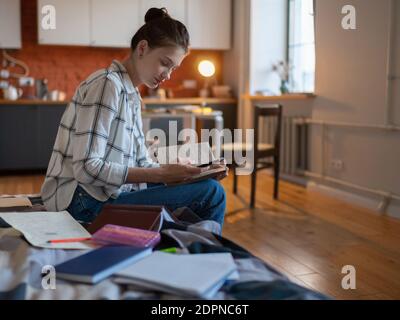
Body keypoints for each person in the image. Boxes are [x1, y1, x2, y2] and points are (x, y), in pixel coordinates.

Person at [40, 8, 227, 228]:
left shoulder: (132, 95)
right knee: (212, 193)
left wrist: (178, 173)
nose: (168, 75)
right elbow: (87, 168)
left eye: (173, 68)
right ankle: (201, 251)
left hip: (105, 194)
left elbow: (141, 164)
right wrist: (160, 175)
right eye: (165, 63)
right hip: (83, 203)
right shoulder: (107, 84)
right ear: (142, 48)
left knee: (203, 186)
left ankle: (188, 246)